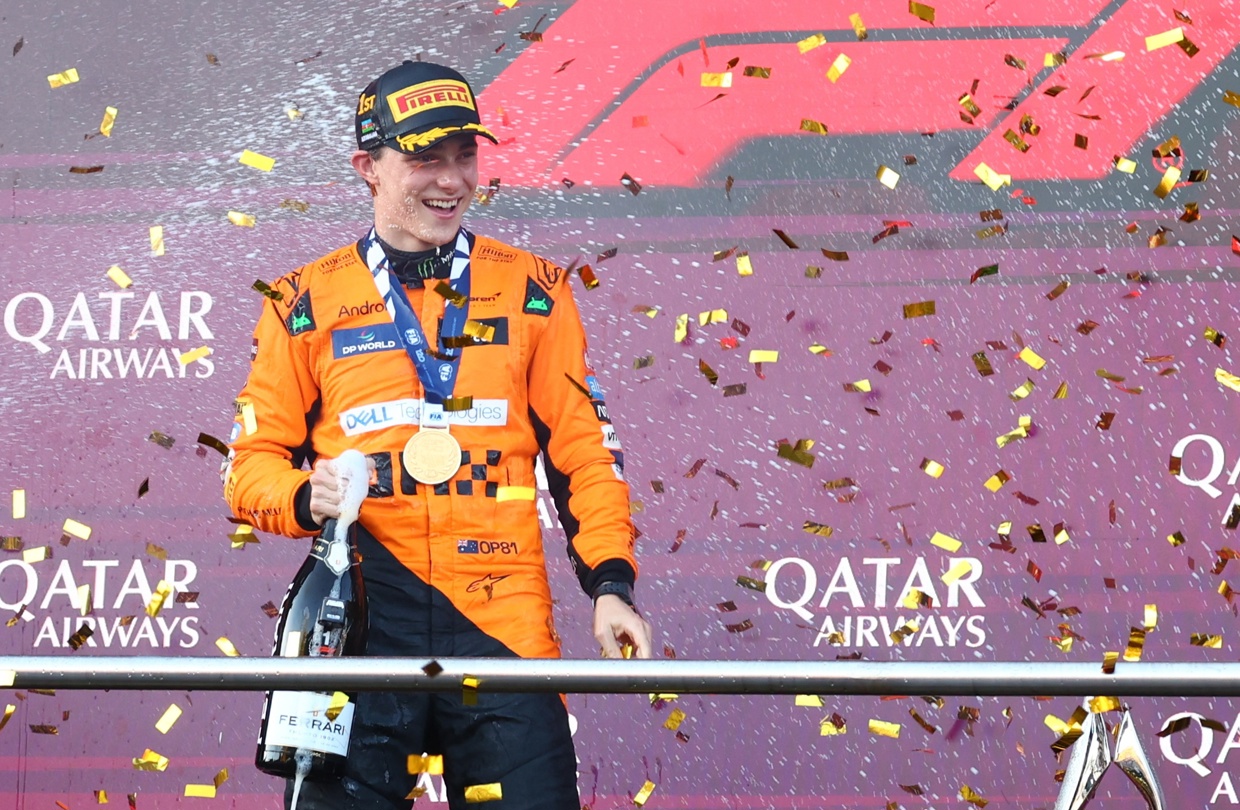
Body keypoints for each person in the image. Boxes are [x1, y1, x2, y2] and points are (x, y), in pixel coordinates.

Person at [223, 60, 652, 810]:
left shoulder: (537, 290)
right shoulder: (301, 301)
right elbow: (248, 468)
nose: (451, 179)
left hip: (504, 623)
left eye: (465, 155)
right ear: (369, 167)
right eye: (425, 157)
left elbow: (584, 452)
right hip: (358, 622)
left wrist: (611, 585)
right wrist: (303, 494)